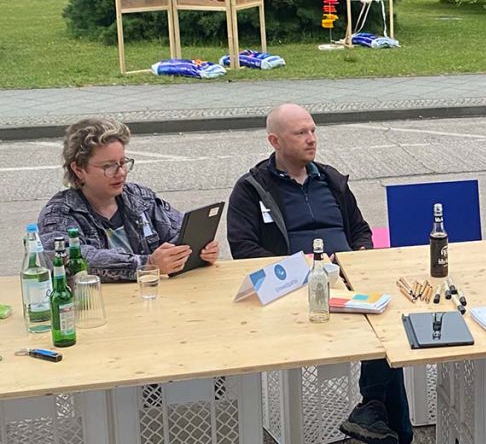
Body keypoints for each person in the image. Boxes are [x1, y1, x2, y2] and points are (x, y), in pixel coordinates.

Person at [226, 104, 409, 444]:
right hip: (294, 289)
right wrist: (302, 270)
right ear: (274, 141)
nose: (311, 139)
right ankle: (386, 423)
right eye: (301, 133)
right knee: (378, 331)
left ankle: (374, 411)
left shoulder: (330, 179)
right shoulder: (251, 189)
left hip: (347, 281)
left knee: (391, 328)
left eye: (313, 131)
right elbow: (244, 251)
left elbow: (360, 230)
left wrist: (362, 258)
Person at [38, 117, 219, 282]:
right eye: (108, 166)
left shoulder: (139, 197)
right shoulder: (59, 214)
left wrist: (198, 251)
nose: (121, 172)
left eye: (123, 162)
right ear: (78, 170)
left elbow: (179, 233)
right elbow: (73, 260)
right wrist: (147, 264)